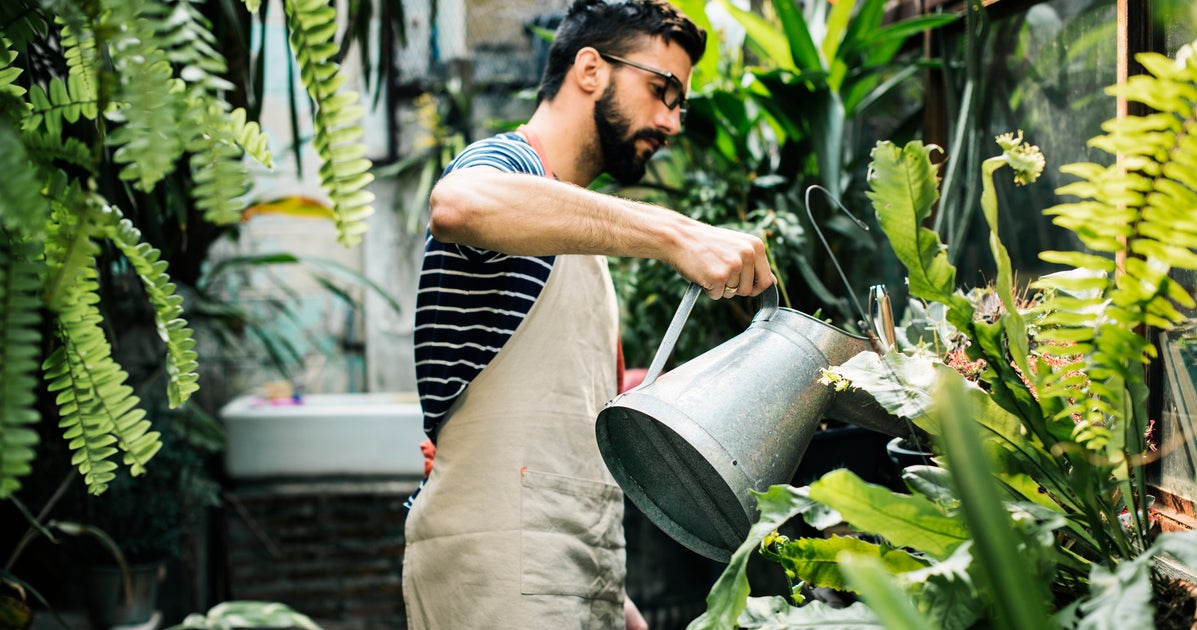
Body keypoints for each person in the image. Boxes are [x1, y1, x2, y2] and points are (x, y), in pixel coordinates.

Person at [401, 1, 774, 627]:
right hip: (499, 570)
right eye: (662, 91)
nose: (671, 121)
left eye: (680, 104)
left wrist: (608, 588)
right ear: (591, 69)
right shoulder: (509, 167)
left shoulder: (575, 231)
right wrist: (678, 235)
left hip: (572, 570)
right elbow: (457, 203)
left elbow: (560, 426)